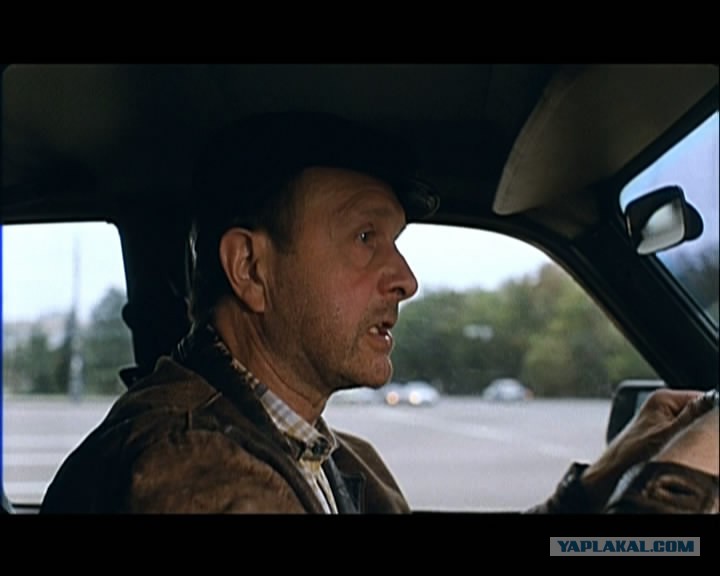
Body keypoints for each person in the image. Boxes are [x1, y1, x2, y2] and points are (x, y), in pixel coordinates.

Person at [39, 110, 718, 514]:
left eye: (393, 242)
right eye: (365, 238)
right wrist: (682, 480)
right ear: (250, 268)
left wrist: (609, 477)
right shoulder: (190, 467)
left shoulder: (326, 456)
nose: (406, 280)